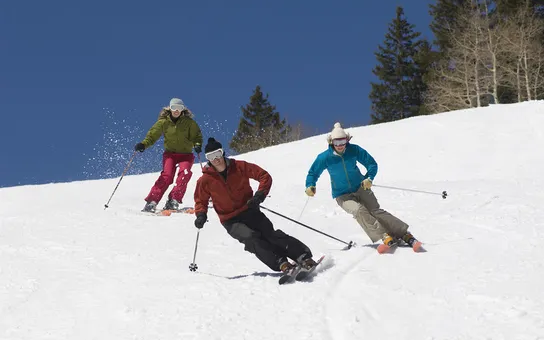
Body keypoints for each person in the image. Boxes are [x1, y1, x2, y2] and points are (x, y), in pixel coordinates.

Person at [193, 137, 317, 273]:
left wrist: (259, 195)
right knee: (251, 239)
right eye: (211, 156)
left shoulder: (239, 166)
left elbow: (264, 176)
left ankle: (303, 256)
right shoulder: (205, 180)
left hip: (249, 210)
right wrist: (200, 215)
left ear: (222, 152)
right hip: (230, 220)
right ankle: (281, 263)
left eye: (217, 153)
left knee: (270, 235)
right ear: (207, 159)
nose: (215, 159)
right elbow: (200, 200)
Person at [304, 122, 421, 250]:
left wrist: (369, 178)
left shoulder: (354, 150)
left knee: (375, 211)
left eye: (343, 141)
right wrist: (310, 185)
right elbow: (313, 173)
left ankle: (404, 234)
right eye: (337, 142)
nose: (340, 146)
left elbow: (371, 164)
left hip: (361, 187)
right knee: (359, 210)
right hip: (342, 194)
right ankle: (384, 235)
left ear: (347, 140)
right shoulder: (324, 157)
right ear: (331, 142)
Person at [135, 97, 203, 212]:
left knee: (185, 174)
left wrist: (197, 144)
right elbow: (152, 135)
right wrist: (143, 144)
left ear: (183, 109)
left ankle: (173, 200)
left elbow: (197, 136)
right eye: (174, 108)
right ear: (169, 109)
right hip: (170, 154)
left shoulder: (189, 123)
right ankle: (152, 201)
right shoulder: (164, 122)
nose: (176, 110)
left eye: (179, 108)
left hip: (185, 155)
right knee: (167, 176)